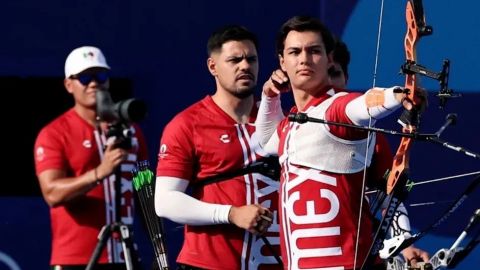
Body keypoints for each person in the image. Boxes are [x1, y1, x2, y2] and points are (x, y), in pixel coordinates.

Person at [254, 16, 427, 270]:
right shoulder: (291, 123)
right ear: (282, 62)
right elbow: (264, 142)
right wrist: (269, 95)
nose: (304, 59)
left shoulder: (337, 108)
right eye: (295, 52)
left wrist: (397, 95)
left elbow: (363, 104)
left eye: (314, 51)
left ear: (328, 59)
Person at [154, 25, 281, 269]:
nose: (245, 66)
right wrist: (231, 213)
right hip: (209, 264)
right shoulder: (186, 124)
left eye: (251, 59)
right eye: (235, 59)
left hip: (273, 260)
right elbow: (164, 202)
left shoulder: (277, 118)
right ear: (213, 66)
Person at [34, 46, 148, 270]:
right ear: (69, 85)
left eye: (100, 75)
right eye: (85, 77)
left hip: (125, 257)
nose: (94, 83)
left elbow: (145, 189)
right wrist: (99, 173)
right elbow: (51, 193)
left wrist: (158, 250)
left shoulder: (131, 130)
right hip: (76, 259)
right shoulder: (55, 133)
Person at [329, 39, 429, 267]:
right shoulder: (288, 130)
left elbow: (389, 196)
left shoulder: (367, 136)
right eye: (323, 74)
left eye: (334, 74)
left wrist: (405, 245)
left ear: (346, 79)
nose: (329, 84)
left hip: (360, 259)